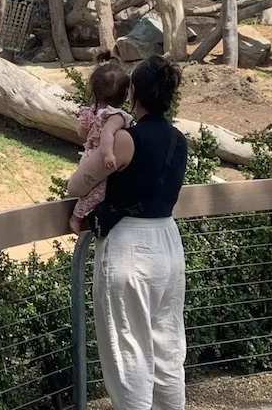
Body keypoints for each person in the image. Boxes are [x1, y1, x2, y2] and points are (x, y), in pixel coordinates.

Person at [67, 54, 189, 410]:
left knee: (129, 354)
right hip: (167, 242)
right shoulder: (178, 141)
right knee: (167, 347)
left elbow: (77, 185)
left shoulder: (125, 141)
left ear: (133, 92)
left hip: (128, 247)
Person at [70, 54, 133, 235]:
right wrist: (108, 154)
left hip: (88, 154)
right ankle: (77, 216)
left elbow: (81, 132)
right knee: (99, 192)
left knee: (91, 189)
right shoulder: (115, 116)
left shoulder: (91, 111)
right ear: (124, 94)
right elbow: (107, 133)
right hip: (100, 157)